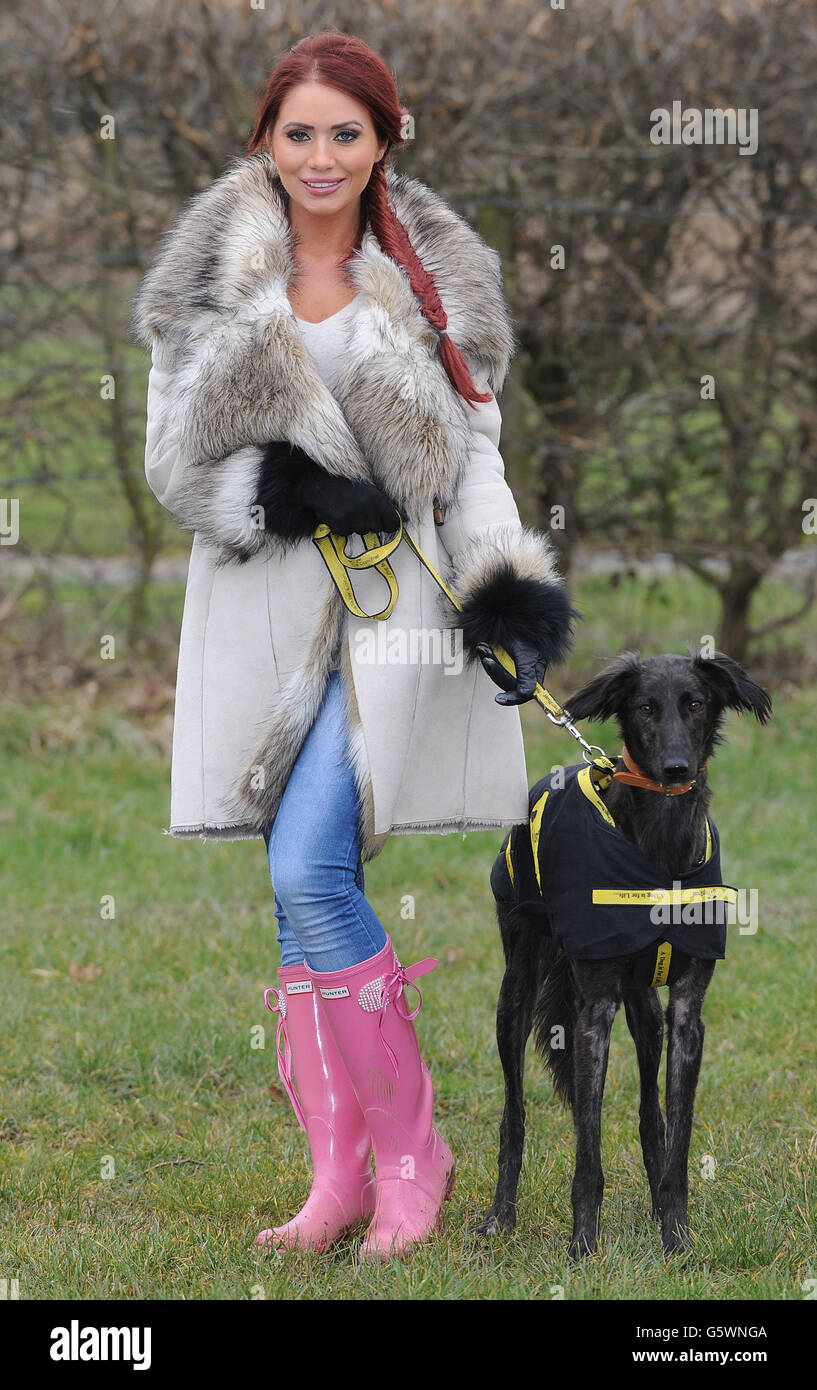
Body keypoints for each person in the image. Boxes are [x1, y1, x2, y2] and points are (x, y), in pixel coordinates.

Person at [131, 30, 574, 1261]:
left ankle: (413, 1151)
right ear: (265, 139)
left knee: (309, 873)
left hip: (396, 620)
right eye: (297, 132)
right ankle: (338, 1179)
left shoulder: (437, 276)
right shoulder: (207, 274)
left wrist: (504, 599)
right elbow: (171, 462)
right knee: (296, 902)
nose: (320, 156)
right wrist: (285, 487)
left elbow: (476, 458)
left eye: (345, 132)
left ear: (382, 139)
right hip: (261, 609)